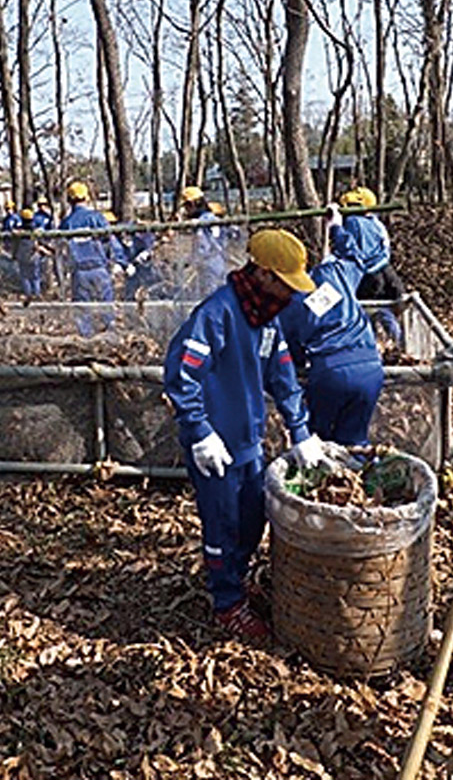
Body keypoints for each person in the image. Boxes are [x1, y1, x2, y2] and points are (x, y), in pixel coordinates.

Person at [164, 229, 327, 641]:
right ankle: (226, 603)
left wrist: (301, 430)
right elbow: (182, 375)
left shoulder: (267, 317)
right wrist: (200, 430)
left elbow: (283, 373)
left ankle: (235, 576)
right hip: (216, 445)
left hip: (250, 440)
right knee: (223, 524)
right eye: (285, 283)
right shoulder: (217, 314)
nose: (291, 294)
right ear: (263, 274)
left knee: (253, 519)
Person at [278, 248, 384, 448]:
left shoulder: (289, 303)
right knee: (355, 442)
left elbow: (292, 350)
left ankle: (327, 476)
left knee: (318, 442)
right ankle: (358, 473)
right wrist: (337, 229)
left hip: (331, 372)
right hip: (370, 367)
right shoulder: (335, 273)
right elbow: (358, 257)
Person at [332, 186, 404, 346]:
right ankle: (395, 344)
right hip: (384, 273)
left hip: (367, 277)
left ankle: (371, 346)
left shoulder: (353, 222)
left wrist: (336, 229)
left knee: (365, 313)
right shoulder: (377, 223)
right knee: (384, 311)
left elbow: (354, 252)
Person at [59, 181, 125, 334]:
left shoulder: (66, 223)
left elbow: (61, 250)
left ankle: (86, 340)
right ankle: (110, 335)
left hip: (79, 272)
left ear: (69, 200)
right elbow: (111, 241)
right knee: (106, 305)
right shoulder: (97, 218)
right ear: (86, 198)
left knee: (82, 310)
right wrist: (121, 262)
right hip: (100, 269)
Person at [180, 185, 226, 295]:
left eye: (187, 206)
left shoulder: (201, 222)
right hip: (220, 262)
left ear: (194, 204)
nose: (187, 210)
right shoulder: (213, 219)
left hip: (209, 265)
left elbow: (202, 246)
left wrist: (193, 260)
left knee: (210, 297)